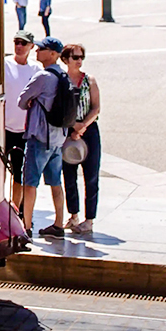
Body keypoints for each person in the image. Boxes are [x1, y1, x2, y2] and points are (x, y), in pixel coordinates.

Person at [17, 36, 71, 237]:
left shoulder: (43, 77)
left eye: (41, 49)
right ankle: (58, 224)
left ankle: (27, 226)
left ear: (53, 54)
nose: (37, 51)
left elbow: (21, 101)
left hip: (40, 137)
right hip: (58, 138)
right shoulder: (63, 76)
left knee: (30, 182)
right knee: (56, 182)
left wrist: (32, 102)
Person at [59, 43, 102, 235]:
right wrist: (72, 126)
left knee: (91, 176)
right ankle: (73, 215)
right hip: (68, 130)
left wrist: (82, 126)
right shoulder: (61, 80)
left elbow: (96, 107)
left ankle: (89, 219)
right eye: (75, 57)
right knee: (69, 175)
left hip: (89, 131)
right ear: (66, 59)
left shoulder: (89, 80)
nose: (79, 61)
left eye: (81, 57)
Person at [3, 30, 42, 214]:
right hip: (4, 128)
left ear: (31, 47)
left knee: (19, 172)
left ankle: (16, 209)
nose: (19, 46)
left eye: (23, 43)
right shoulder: (4, 64)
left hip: (24, 130)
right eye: (16, 42)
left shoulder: (36, 69)